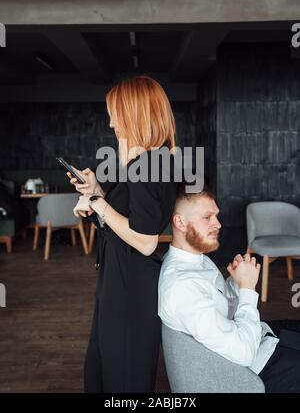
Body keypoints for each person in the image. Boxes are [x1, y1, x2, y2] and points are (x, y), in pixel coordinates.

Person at [69, 76, 178, 393]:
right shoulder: (151, 161)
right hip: (121, 280)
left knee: (121, 375)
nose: (111, 121)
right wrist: (97, 194)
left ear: (134, 113)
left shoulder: (147, 164)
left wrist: (98, 203)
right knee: (108, 366)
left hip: (130, 286)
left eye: (115, 112)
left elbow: (145, 242)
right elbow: (129, 221)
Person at [158, 185, 300, 393]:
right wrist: (248, 288)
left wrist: (235, 282)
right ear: (179, 222)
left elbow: (221, 306)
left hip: (259, 334)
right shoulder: (182, 287)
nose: (218, 224)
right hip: (257, 365)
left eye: (216, 216)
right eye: (208, 217)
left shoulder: (197, 260)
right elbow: (244, 353)